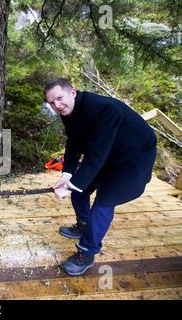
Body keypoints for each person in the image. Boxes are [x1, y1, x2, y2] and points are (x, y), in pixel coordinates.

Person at [44, 78, 157, 276]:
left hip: (133, 160)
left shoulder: (103, 109)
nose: (57, 105)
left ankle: (86, 253)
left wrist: (72, 185)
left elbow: (96, 155)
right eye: (52, 103)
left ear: (73, 92)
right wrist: (67, 174)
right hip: (108, 154)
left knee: (103, 203)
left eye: (60, 98)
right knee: (80, 191)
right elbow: (74, 142)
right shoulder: (68, 111)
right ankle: (83, 225)